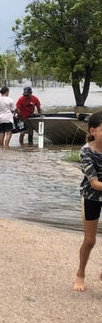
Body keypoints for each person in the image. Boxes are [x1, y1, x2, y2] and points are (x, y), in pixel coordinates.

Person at [73, 111, 102, 291]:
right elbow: (94, 183)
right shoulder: (86, 152)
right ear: (93, 131)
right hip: (91, 196)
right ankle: (81, 273)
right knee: (90, 241)